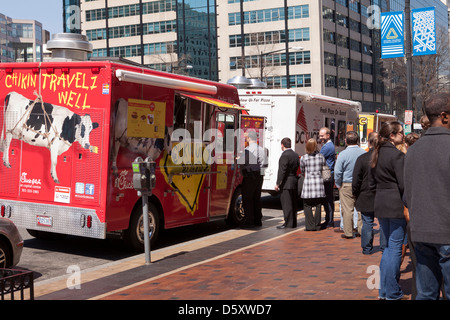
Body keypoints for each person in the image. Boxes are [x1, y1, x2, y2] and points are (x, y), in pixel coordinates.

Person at [404, 92, 450, 300]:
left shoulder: (413, 150)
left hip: (421, 231)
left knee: (425, 293)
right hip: (446, 231)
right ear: (444, 116)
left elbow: (408, 193)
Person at [369, 121, 407, 300]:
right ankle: (391, 292)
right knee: (394, 248)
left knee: (388, 249)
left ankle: (384, 291)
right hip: (395, 204)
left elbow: (371, 183)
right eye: (401, 132)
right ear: (392, 135)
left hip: (381, 204)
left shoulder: (377, 153)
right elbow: (404, 184)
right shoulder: (396, 155)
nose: (403, 135)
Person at [334, 131, 365, 239]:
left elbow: (338, 172)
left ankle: (348, 232)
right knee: (361, 209)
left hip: (347, 184)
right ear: (357, 140)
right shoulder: (363, 152)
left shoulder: (343, 154)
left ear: (346, 141)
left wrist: (338, 184)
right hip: (361, 184)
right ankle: (361, 230)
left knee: (347, 210)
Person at [352, 132, 379, 254]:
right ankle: (384, 246)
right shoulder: (383, 158)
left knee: (367, 222)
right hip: (380, 195)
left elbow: (356, 179)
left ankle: (367, 248)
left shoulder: (362, 159)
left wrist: (355, 193)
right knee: (383, 223)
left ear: (369, 142)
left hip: (365, 194)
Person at [240, 130, 266, 228]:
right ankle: (257, 220)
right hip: (260, 176)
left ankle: (249, 221)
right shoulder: (261, 149)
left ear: (249, 138)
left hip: (250, 176)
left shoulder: (248, 150)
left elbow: (242, 163)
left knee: (247, 198)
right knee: (256, 198)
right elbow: (265, 164)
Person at [300, 138, 327, 231]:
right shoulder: (321, 157)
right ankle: (317, 225)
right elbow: (324, 168)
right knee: (318, 205)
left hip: (308, 184)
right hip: (318, 184)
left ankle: (310, 225)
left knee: (307, 205)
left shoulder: (304, 158)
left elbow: (302, 170)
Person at [275, 137, 299, 229]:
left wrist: (278, 183)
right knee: (293, 203)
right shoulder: (295, 154)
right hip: (294, 181)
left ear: (282, 145)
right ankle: (293, 222)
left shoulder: (284, 155)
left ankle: (288, 223)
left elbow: (282, 171)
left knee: (287, 204)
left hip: (286, 182)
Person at [319, 127, 336, 228]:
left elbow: (319, 158)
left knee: (328, 198)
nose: (320, 137)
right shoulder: (327, 145)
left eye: (322, 135)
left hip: (327, 175)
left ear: (328, 135)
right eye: (320, 135)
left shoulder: (327, 147)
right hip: (328, 174)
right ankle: (329, 219)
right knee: (327, 198)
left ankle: (329, 220)